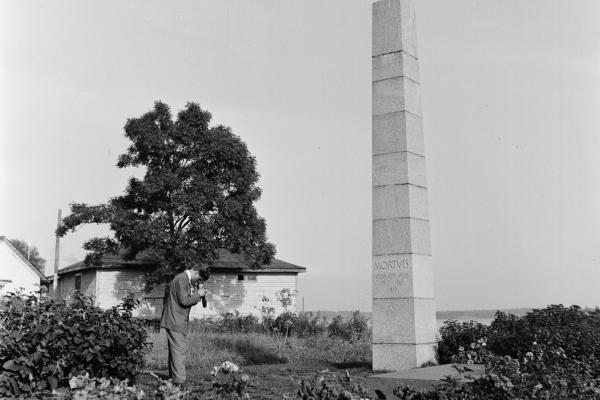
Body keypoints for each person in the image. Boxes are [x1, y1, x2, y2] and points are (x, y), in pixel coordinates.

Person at [160, 263, 207, 386]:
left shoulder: (183, 279)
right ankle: (180, 382)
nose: (198, 280)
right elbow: (184, 301)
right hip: (175, 320)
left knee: (175, 350)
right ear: (196, 272)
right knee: (180, 350)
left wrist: (196, 293)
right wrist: (199, 294)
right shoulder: (182, 279)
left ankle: (174, 378)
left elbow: (185, 298)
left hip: (176, 319)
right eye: (199, 278)